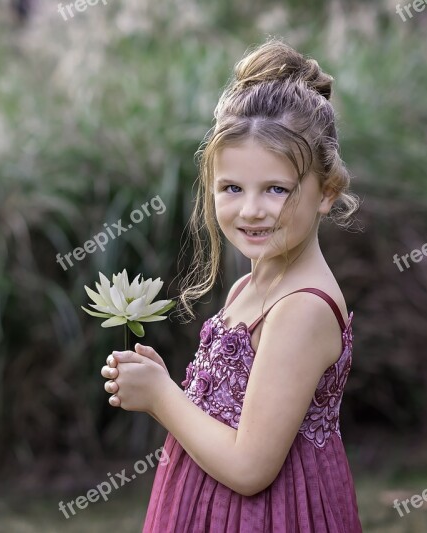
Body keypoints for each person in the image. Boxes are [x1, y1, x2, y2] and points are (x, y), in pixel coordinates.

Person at [100, 37, 363, 532]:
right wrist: (176, 390)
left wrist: (162, 398)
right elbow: (234, 417)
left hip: (272, 516)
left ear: (326, 192)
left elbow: (250, 469)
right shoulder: (247, 289)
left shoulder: (301, 309)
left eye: (277, 189)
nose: (251, 210)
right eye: (232, 188)